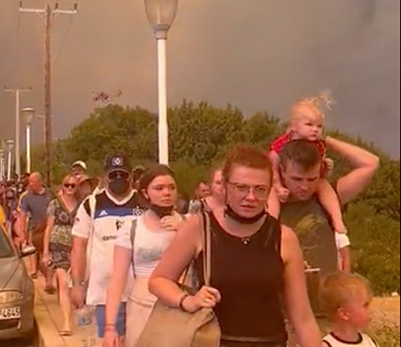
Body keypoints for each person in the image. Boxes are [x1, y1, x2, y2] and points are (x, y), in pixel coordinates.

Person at [148, 145, 320, 347]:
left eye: (260, 189)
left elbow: (302, 317)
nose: (251, 197)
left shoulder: (284, 237)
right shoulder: (199, 227)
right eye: (241, 188)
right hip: (213, 341)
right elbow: (158, 281)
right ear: (226, 186)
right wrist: (187, 300)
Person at [104, 164, 184, 347]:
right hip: (142, 309)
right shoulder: (132, 228)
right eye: (159, 188)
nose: (167, 193)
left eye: (172, 188)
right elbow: (117, 279)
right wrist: (110, 327)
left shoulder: (189, 224)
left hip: (179, 308)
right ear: (145, 193)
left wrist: (183, 231)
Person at [278, 138, 379, 280]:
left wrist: (325, 140)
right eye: (297, 179)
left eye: (312, 179)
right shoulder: (265, 202)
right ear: (282, 171)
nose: (305, 187)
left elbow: (370, 164)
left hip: (327, 295)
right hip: (285, 293)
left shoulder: (327, 197)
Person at [71, 154, 142, 344]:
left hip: (140, 293)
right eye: (114, 175)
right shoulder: (91, 205)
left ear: (131, 177)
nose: (118, 179)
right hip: (104, 294)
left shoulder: (144, 203)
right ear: (105, 177)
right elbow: (79, 245)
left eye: (123, 174)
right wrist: (77, 284)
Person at [268, 93, 345, 235]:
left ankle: (337, 219)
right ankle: (270, 223)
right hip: (281, 179)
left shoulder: (319, 145)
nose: (315, 130)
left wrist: (325, 168)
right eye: (309, 125)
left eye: (319, 126)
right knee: (271, 194)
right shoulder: (284, 142)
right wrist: (278, 185)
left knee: (324, 185)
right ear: (294, 126)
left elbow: (319, 170)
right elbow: (272, 163)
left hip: (310, 180)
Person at [42, 175, 80, 335]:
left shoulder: (82, 204)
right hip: (58, 247)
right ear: (62, 186)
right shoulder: (55, 204)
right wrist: (45, 252)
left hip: (77, 247)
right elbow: (48, 228)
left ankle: (74, 313)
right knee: (63, 283)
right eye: (67, 185)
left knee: (75, 283)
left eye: (73, 185)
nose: (70, 188)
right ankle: (66, 322)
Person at [320, 272, 379, 347]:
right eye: (365, 305)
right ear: (344, 313)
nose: (370, 310)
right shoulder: (327, 345)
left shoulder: (370, 342)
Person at [19, 172, 53, 286]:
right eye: (30, 182)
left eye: (32, 182)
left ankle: (48, 281)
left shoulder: (50, 194)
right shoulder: (27, 197)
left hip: (49, 226)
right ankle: (33, 270)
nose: (30, 184)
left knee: (47, 253)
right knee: (33, 250)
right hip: (35, 227)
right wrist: (22, 231)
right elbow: (23, 215)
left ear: (39, 182)